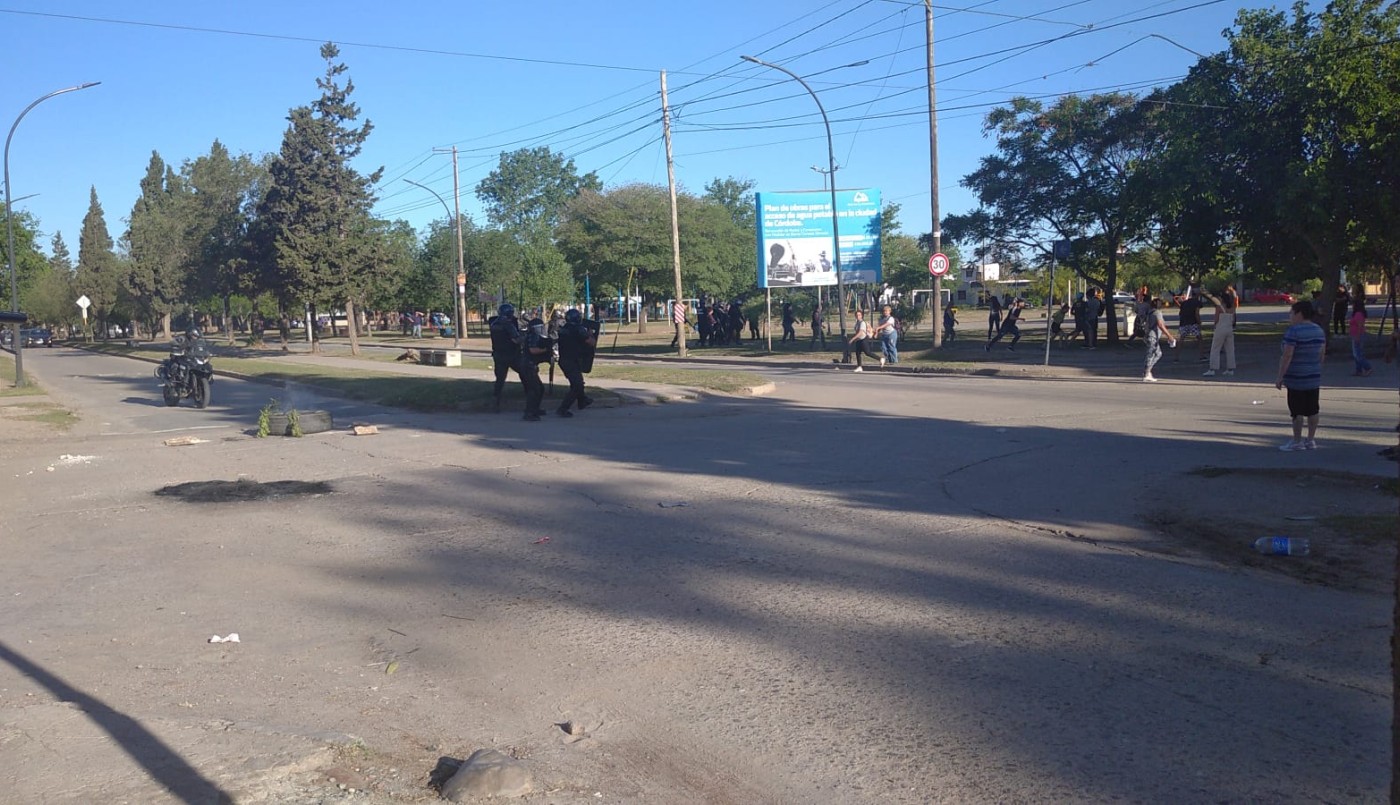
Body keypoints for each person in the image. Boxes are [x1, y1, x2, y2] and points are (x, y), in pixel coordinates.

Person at [1275, 300, 1326, 450]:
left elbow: (1287, 355)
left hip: (1296, 377)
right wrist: (1316, 368)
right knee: (1313, 409)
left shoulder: (1294, 331)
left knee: (1296, 410)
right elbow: (1322, 353)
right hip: (1313, 375)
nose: (1289, 316)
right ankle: (1310, 439)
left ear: (1299, 314)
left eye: (1291, 313)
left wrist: (1280, 376)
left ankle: (1297, 441)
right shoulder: (1319, 330)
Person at [555, 309, 597, 417]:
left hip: (564, 360)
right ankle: (563, 409)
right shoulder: (578, 329)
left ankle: (582, 400)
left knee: (577, 382)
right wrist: (591, 333)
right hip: (571, 361)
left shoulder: (563, 329)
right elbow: (591, 342)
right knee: (577, 385)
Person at [489, 303, 524, 413]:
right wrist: (525, 337)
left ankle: (495, 402)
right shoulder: (508, 325)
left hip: (498, 355)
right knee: (525, 372)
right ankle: (531, 395)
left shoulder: (493, 323)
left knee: (500, 380)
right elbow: (515, 339)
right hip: (511, 355)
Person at [1202, 283, 1238, 376]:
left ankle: (1212, 368)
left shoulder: (1219, 307)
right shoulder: (1232, 307)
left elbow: (1216, 319)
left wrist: (1214, 326)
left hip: (1220, 328)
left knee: (1215, 348)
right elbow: (1233, 318)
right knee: (1230, 349)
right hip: (1229, 328)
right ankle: (1230, 369)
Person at [520, 317, 551, 421]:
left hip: (529, 365)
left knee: (539, 388)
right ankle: (529, 413)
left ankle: (535, 409)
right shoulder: (533, 336)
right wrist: (547, 349)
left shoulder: (533, 335)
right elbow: (533, 350)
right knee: (534, 389)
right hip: (528, 366)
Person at [1142, 298, 1177, 382]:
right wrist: (1169, 336)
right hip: (1152, 336)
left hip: (1148, 336)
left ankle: (1148, 371)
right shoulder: (1157, 313)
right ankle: (1146, 373)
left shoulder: (1149, 312)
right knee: (1151, 354)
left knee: (1157, 353)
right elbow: (1160, 325)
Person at [1174, 285, 1204, 362]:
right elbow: (1196, 313)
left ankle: (1176, 357)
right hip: (1193, 322)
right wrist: (1199, 322)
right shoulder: (1197, 302)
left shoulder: (1185, 302)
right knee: (1199, 338)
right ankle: (1201, 356)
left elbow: (1180, 311)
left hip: (1183, 322)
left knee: (1181, 339)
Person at [1349, 296, 1373, 377]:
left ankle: (1368, 367)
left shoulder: (1358, 314)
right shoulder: (1356, 313)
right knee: (1356, 353)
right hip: (1354, 335)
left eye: (1353, 304)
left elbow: (1360, 326)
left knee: (1358, 354)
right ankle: (1358, 370)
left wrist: (1358, 336)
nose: (1352, 305)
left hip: (1358, 335)